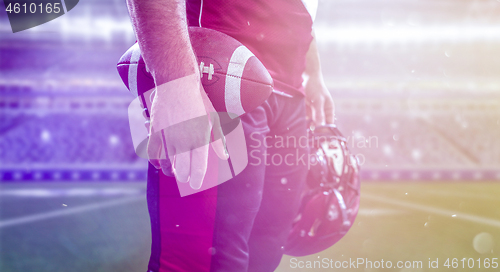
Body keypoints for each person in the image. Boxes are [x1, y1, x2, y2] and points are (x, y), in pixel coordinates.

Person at [125, 0, 335, 271]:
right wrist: (176, 82)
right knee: (202, 262)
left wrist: (312, 72)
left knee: (264, 253)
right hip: (221, 72)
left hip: (290, 88)